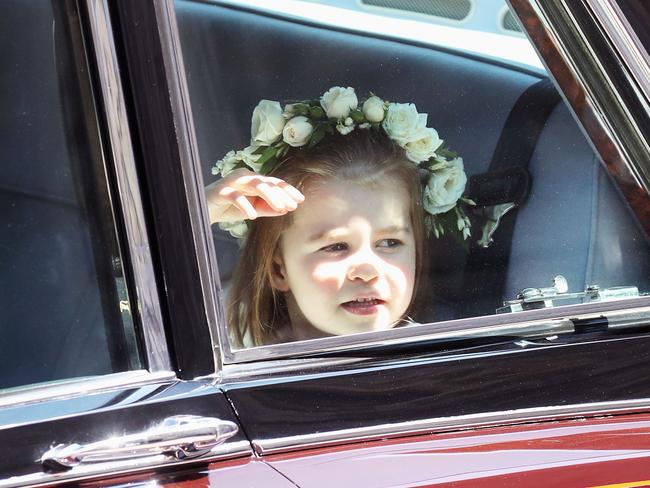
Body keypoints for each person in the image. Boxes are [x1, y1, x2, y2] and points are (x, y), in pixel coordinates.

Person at [205, 87, 471, 347]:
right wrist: (204, 211)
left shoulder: (437, 355)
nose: (367, 272)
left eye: (390, 242)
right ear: (278, 269)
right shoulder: (232, 355)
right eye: (335, 246)